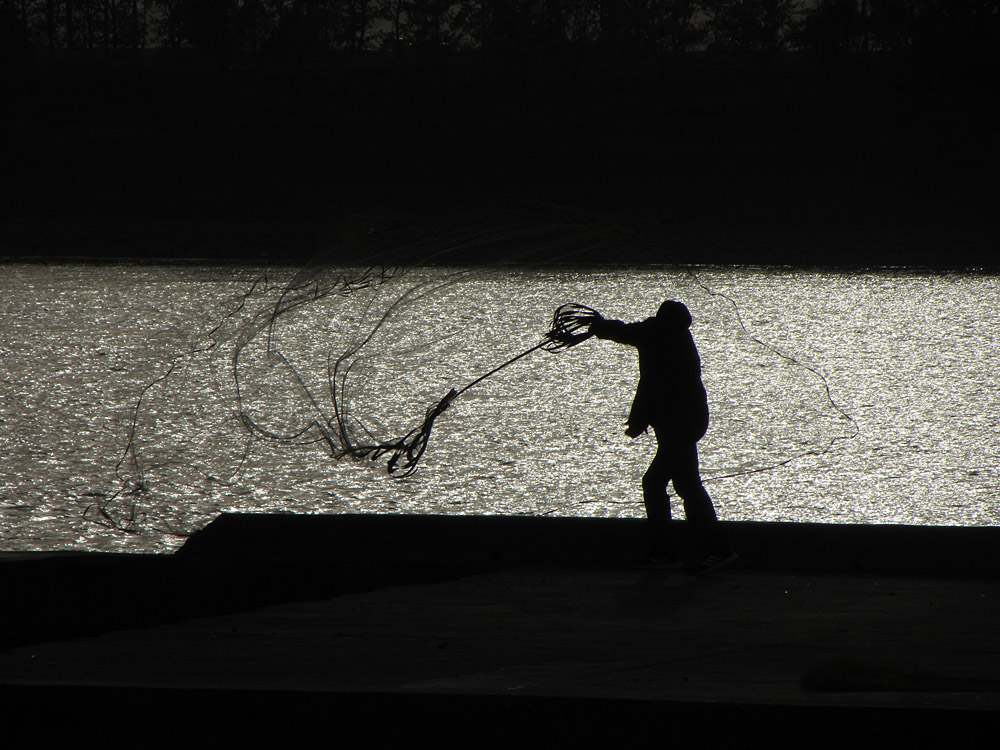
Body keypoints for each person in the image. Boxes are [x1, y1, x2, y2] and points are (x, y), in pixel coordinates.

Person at [587, 300, 738, 574]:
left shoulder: (657, 334)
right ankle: (691, 551)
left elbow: (626, 334)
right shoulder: (677, 337)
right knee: (685, 484)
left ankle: (697, 552)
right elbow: (650, 377)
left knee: (662, 483)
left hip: (678, 425)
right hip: (686, 423)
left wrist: (598, 326)